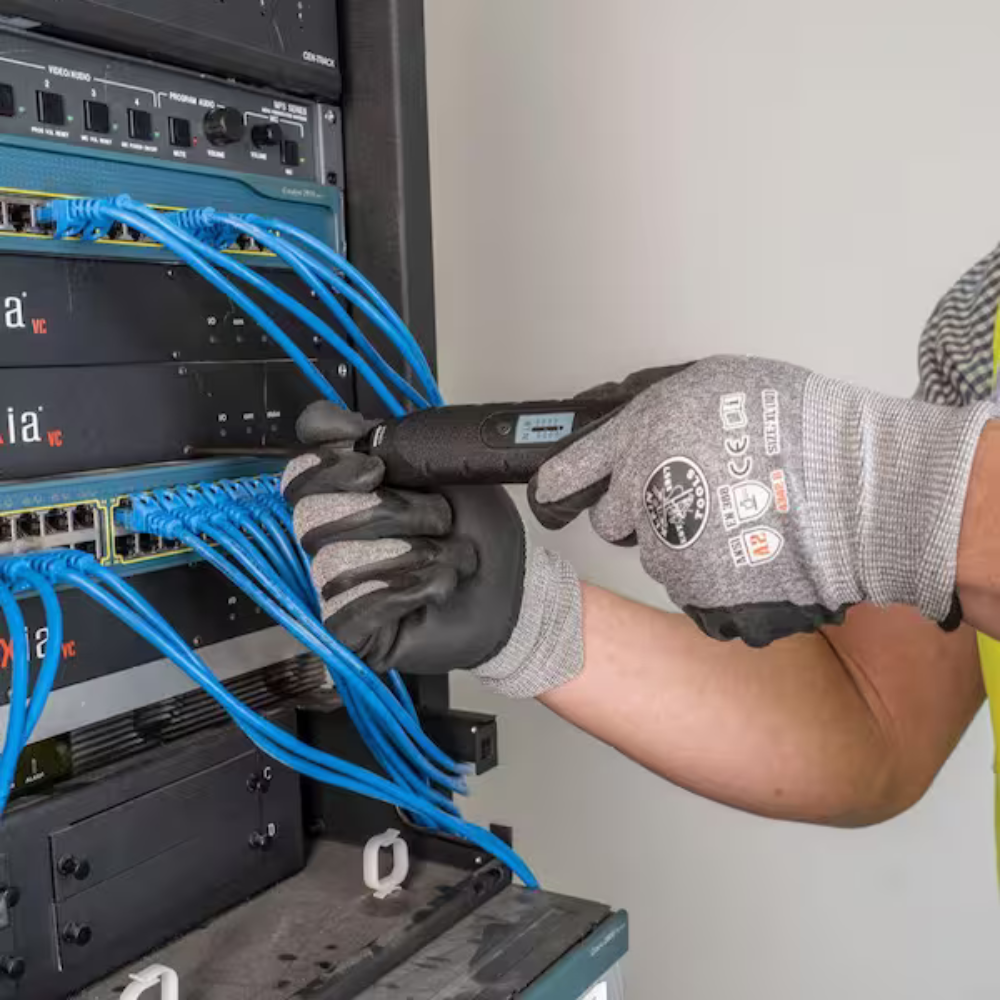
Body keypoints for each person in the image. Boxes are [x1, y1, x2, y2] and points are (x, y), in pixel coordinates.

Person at [282, 244, 1000, 832]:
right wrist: (528, 620)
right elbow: (877, 721)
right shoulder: (986, 315)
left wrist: (894, 485)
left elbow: (936, 513)